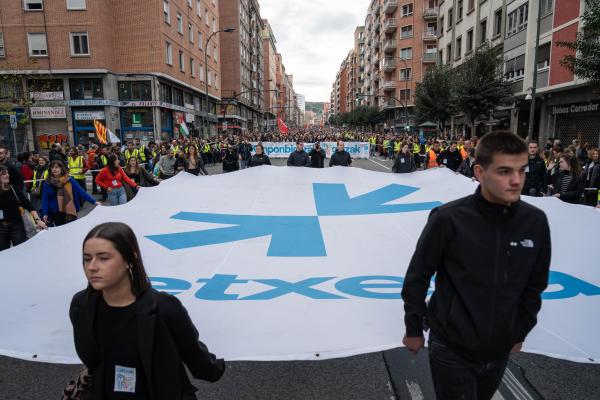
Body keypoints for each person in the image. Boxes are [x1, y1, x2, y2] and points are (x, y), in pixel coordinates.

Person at [401, 131, 551, 400]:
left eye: (521, 170)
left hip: (500, 348)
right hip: (451, 346)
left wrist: (520, 330)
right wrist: (413, 328)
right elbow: (417, 276)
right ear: (479, 172)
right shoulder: (448, 219)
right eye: (504, 171)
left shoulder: (536, 221)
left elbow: (535, 284)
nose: (516, 180)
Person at [70, 222, 225, 399]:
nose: (92, 267)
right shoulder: (81, 305)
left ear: (130, 259)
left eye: (103, 258)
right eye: (87, 258)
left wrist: (216, 367)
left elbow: (196, 358)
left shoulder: (163, 308)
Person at [0, 165, 47, 250]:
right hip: (1, 228)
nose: (7, 175)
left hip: (17, 226)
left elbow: (28, 204)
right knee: (3, 255)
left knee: (21, 250)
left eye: (7, 173)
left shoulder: (14, 189)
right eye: (3, 173)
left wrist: (37, 220)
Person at [41, 160, 100, 226]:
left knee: (72, 230)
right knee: (61, 231)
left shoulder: (69, 179)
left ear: (61, 168)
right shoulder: (48, 182)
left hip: (70, 210)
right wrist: (45, 213)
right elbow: (45, 199)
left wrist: (94, 201)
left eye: (57, 167)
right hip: (56, 212)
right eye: (52, 168)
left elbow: (81, 191)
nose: (54, 169)